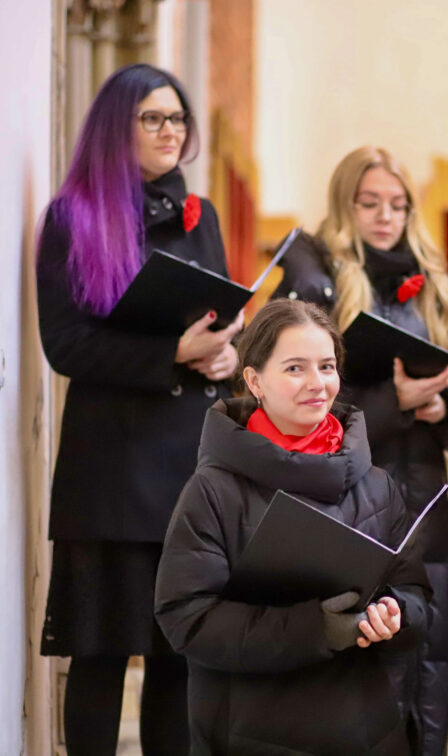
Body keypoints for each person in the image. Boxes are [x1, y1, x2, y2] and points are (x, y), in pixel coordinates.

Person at [36, 63, 242, 756]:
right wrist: (171, 354)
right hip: (110, 470)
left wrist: (224, 357)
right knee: (99, 654)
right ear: (114, 127)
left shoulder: (201, 215)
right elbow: (65, 345)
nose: (170, 131)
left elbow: (215, 324)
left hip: (189, 465)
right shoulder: (71, 218)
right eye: (153, 118)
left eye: (177, 118)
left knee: (179, 655)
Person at [154, 299, 430, 755]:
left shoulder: (377, 484)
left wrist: (396, 613)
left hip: (368, 730)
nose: (317, 383)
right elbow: (186, 617)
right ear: (254, 380)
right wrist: (315, 629)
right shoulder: (214, 490)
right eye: (295, 368)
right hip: (252, 732)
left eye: (327, 366)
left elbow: (416, 595)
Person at [273, 145, 448, 755]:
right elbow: (298, 404)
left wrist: (442, 406)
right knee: (361, 664)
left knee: (431, 659)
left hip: (424, 498)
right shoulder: (319, 282)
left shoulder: (433, 286)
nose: (386, 216)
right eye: (370, 203)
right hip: (348, 498)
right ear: (345, 206)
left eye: (398, 204)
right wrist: (396, 400)